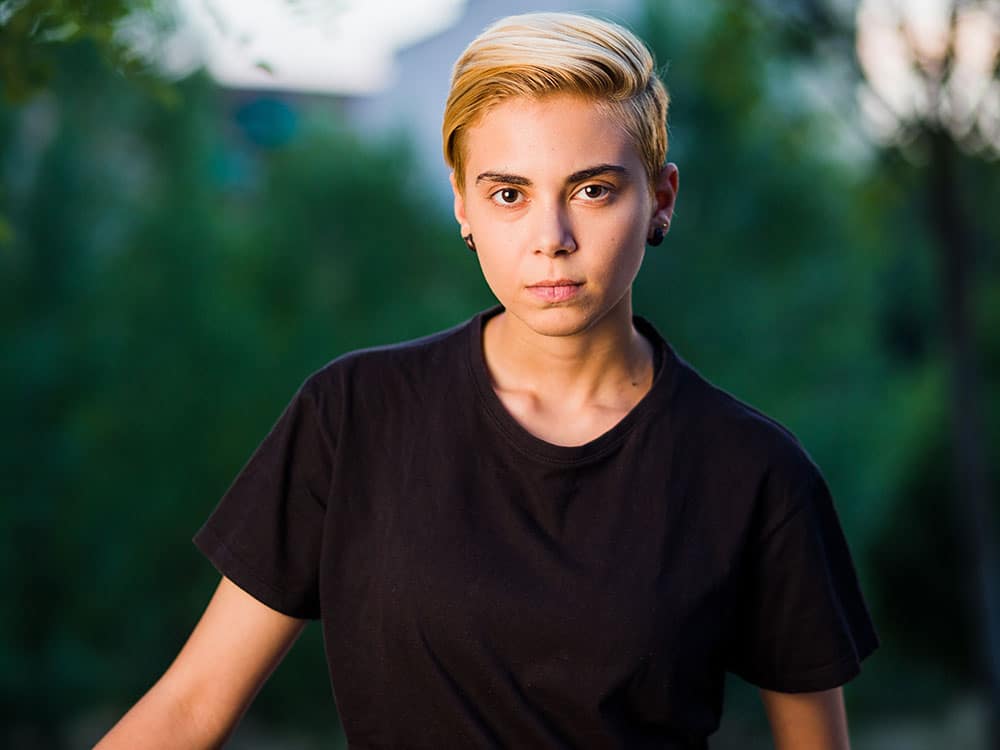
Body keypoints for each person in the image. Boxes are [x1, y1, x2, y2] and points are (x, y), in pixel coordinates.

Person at [96, 11, 878, 749]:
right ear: (464, 205)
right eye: (510, 194)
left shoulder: (754, 473)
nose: (552, 239)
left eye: (592, 190)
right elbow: (189, 708)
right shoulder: (354, 417)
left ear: (659, 200)